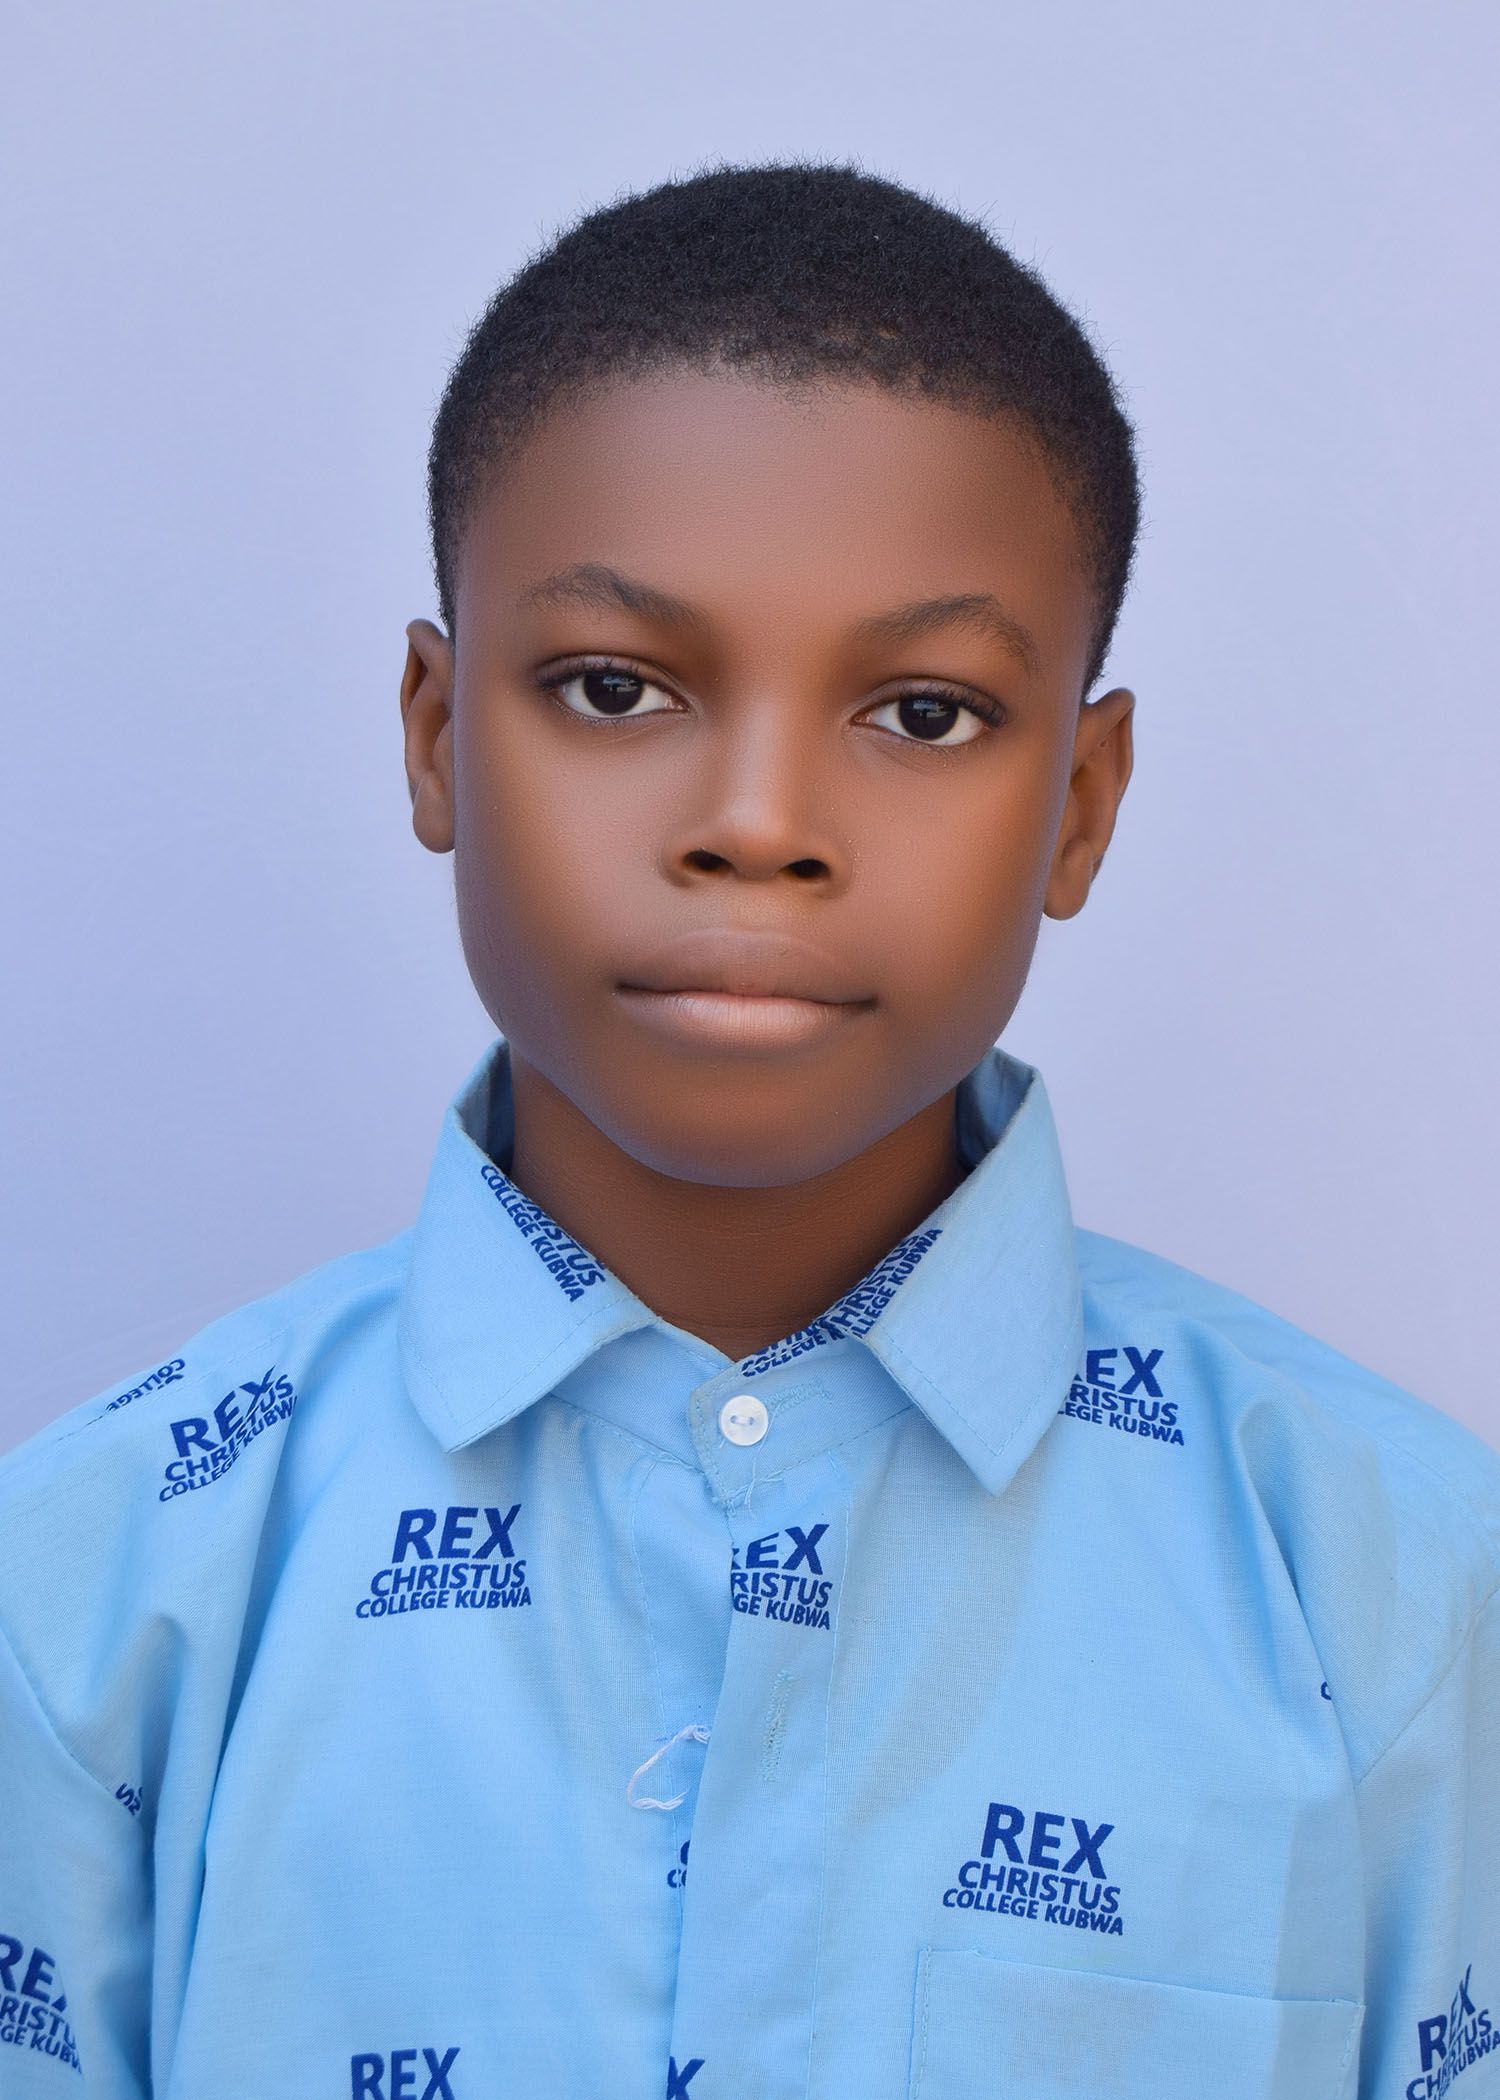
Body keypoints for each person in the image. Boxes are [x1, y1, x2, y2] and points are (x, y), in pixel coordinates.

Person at [1, 157, 1495, 2100]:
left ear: (1083, 801)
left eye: (926, 714)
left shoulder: (1397, 1585)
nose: (759, 823)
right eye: (616, 687)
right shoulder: (91, 1595)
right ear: (437, 735)